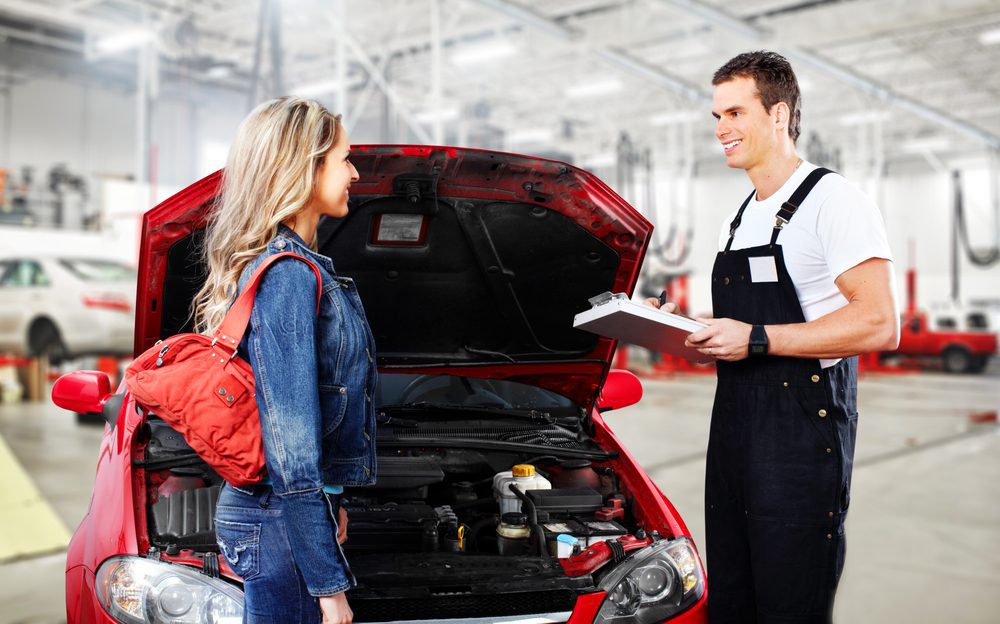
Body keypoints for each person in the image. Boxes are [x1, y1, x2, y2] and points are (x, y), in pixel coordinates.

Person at [647, 51, 899, 623]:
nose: (721, 129)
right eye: (716, 116)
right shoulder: (738, 218)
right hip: (735, 435)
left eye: (735, 112)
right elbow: (740, 327)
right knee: (733, 600)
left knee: (790, 605)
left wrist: (755, 338)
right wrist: (678, 324)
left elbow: (880, 321)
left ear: (779, 114)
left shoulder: (834, 202)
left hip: (800, 442)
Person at [193, 96, 377, 624]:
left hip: (287, 517)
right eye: (344, 158)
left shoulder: (295, 265)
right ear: (304, 165)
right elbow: (292, 446)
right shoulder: (288, 275)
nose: (355, 172)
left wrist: (333, 500)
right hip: (277, 521)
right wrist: (327, 585)